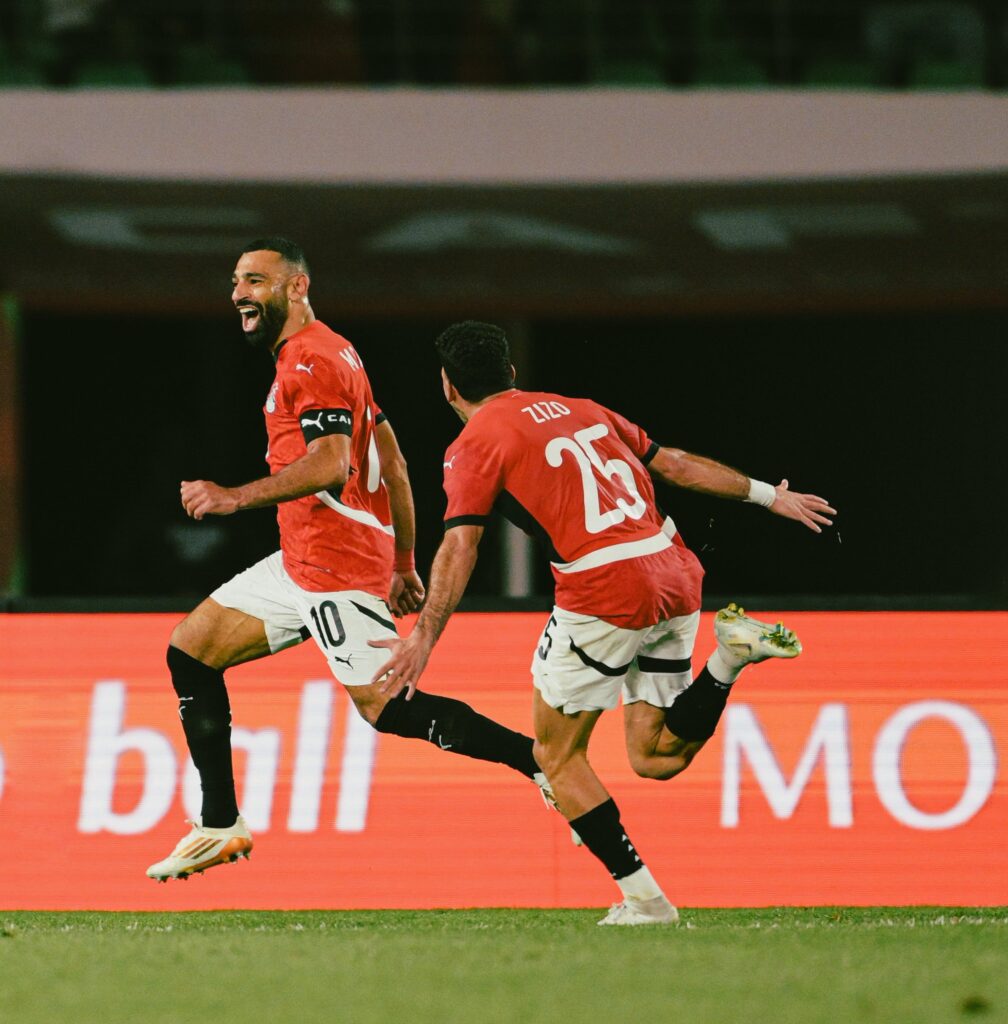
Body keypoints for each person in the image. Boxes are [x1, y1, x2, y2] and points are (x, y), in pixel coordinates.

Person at [372, 321, 836, 925]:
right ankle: (728, 658)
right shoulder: (581, 408)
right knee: (656, 756)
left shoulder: (475, 443)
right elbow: (675, 465)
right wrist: (769, 496)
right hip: (675, 569)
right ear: (511, 372)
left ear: (447, 387)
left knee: (557, 757)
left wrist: (424, 638)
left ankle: (647, 902)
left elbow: (461, 547)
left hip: (606, 588)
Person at [146, 243, 545, 882]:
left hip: (335, 566)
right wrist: (406, 560)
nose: (239, 293)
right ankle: (220, 824)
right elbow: (394, 456)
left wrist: (232, 497)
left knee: (389, 710)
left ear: (297, 285)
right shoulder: (336, 349)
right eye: (235, 281)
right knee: (190, 651)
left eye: (256, 280)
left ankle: (538, 759)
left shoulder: (312, 359)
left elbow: (333, 462)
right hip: (301, 560)